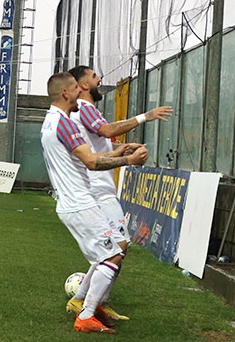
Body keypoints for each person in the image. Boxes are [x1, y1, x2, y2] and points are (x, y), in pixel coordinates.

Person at [41, 72, 148, 334]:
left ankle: (93, 306)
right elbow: (91, 162)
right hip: (80, 203)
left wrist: (114, 153)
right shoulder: (65, 124)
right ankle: (86, 314)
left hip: (75, 201)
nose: (80, 92)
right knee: (112, 254)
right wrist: (128, 161)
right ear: (65, 93)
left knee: (114, 249)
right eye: (75, 88)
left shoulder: (50, 122)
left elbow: (84, 159)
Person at [65, 65, 173, 321]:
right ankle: (86, 304)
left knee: (115, 247)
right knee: (117, 246)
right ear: (83, 85)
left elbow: (98, 146)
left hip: (98, 186)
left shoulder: (85, 111)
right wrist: (146, 116)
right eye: (94, 76)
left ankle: (90, 301)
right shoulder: (85, 107)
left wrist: (120, 150)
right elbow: (107, 130)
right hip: (97, 189)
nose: (99, 79)